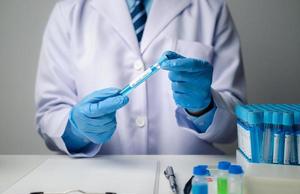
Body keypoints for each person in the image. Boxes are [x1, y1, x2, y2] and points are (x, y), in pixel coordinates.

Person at [35, 0, 246, 157]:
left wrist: (205, 108)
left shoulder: (210, 8)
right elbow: (50, 114)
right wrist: (76, 129)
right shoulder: (69, 10)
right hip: (99, 180)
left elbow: (236, 123)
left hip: (189, 178)